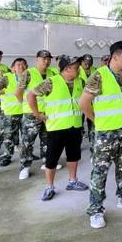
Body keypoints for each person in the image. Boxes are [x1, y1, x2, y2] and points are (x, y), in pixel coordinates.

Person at [79, 41, 122, 230]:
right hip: (106, 134)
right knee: (100, 172)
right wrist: (96, 121)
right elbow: (83, 103)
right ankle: (96, 210)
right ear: (115, 56)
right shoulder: (100, 76)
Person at [27, 55, 89, 202]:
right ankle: (49, 187)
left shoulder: (81, 81)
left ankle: (72, 181)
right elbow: (31, 95)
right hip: (56, 128)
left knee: (74, 155)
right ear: (67, 68)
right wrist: (37, 114)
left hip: (75, 126)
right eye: (76, 67)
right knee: (52, 159)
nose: (79, 69)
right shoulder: (51, 82)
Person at [18, 50, 54, 180]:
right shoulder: (28, 73)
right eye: (43, 58)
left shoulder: (52, 73)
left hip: (48, 114)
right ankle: (25, 167)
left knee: (47, 139)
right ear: (37, 59)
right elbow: (18, 92)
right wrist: (31, 110)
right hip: (32, 114)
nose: (46, 61)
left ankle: (46, 162)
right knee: (27, 142)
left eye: (48, 58)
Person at [0, 57, 27, 167]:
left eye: (24, 64)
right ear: (13, 68)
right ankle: (7, 156)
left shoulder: (30, 78)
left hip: (27, 112)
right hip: (11, 113)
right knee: (8, 136)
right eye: (18, 64)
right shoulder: (8, 78)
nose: (21, 66)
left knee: (26, 137)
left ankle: (26, 155)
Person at [78, 54, 95, 140]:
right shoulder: (77, 70)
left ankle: (93, 142)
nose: (88, 66)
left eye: (90, 64)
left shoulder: (95, 71)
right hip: (80, 101)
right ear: (81, 62)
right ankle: (78, 143)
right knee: (79, 124)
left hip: (92, 101)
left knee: (92, 123)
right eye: (86, 64)